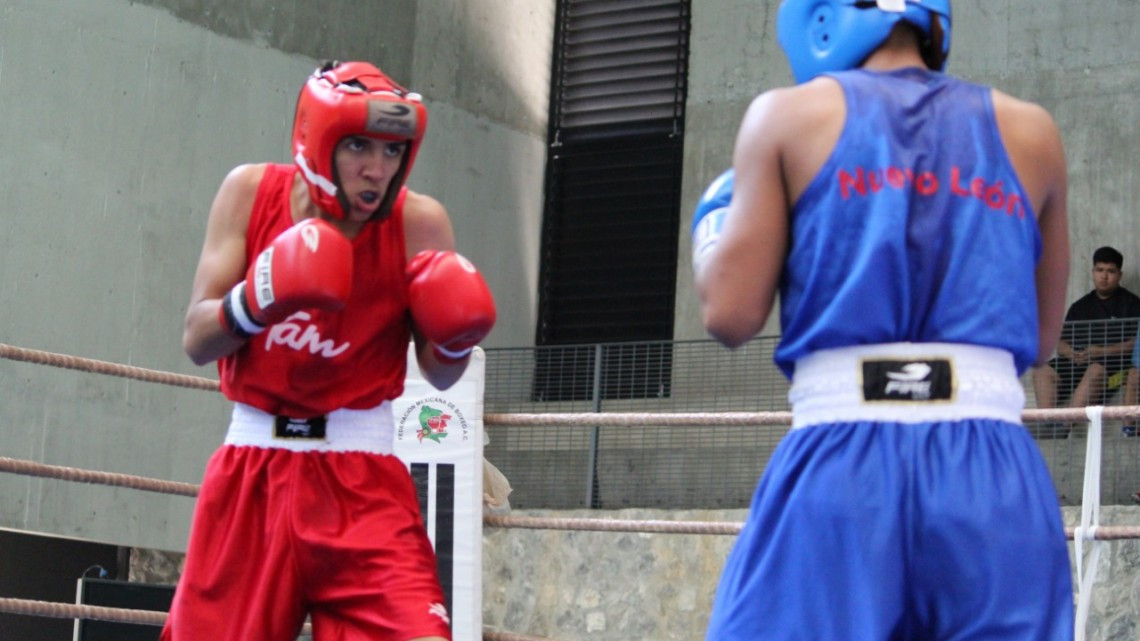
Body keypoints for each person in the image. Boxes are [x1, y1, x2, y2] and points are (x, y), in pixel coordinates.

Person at [693, 1, 1073, 639]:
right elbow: (1040, 339)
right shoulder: (1032, 131)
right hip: (993, 474)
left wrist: (713, 234)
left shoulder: (786, 117)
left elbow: (730, 315)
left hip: (843, 461)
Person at [162, 61, 497, 641]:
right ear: (317, 141)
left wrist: (454, 339)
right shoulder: (250, 193)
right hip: (253, 475)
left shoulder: (419, 223)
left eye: (392, 151)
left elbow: (440, 377)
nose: (377, 169)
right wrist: (259, 298)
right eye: (359, 146)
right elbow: (196, 339)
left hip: (363, 482)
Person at [1031, 246, 1140, 437]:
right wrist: (1070, 352)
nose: (1104, 276)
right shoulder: (1080, 306)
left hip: (1114, 366)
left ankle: (1064, 426)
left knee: (1095, 369)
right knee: (1041, 370)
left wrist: (1101, 352)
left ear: (1119, 275)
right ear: (1093, 272)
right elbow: (1060, 341)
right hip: (1079, 361)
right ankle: (1047, 423)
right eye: (1099, 270)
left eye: (1110, 271)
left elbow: (1136, 343)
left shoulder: (1132, 304)